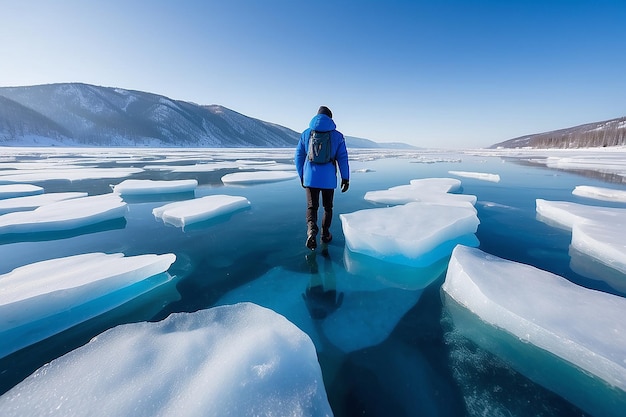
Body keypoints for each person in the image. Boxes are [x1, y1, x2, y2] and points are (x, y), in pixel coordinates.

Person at [295, 106, 350, 250]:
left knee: (312, 206)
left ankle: (311, 231)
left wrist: (302, 175)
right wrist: (345, 177)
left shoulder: (306, 134)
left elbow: (299, 156)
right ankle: (325, 234)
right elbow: (343, 158)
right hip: (328, 179)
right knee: (328, 207)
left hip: (310, 178)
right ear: (330, 118)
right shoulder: (337, 136)